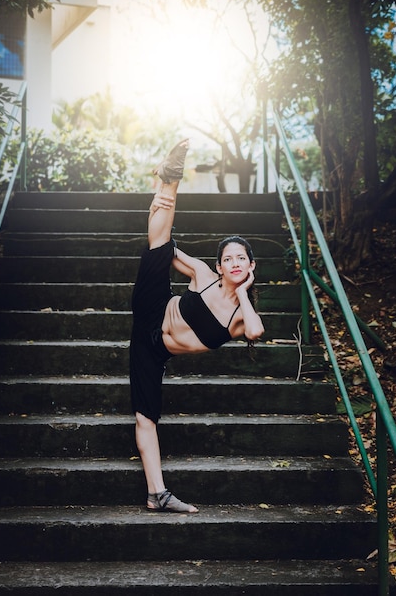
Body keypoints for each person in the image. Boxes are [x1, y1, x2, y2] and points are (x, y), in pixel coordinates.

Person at [129, 138, 265, 514]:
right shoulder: (203, 274)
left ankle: (156, 494)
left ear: (249, 266)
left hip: (152, 350)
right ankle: (170, 178)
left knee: (146, 416)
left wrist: (244, 291)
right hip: (153, 307)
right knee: (158, 244)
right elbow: (166, 248)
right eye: (228, 258)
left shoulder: (241, 316)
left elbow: (255, 333)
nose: (234, 262)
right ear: (218, 266)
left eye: (242, 258)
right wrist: (159, 204)